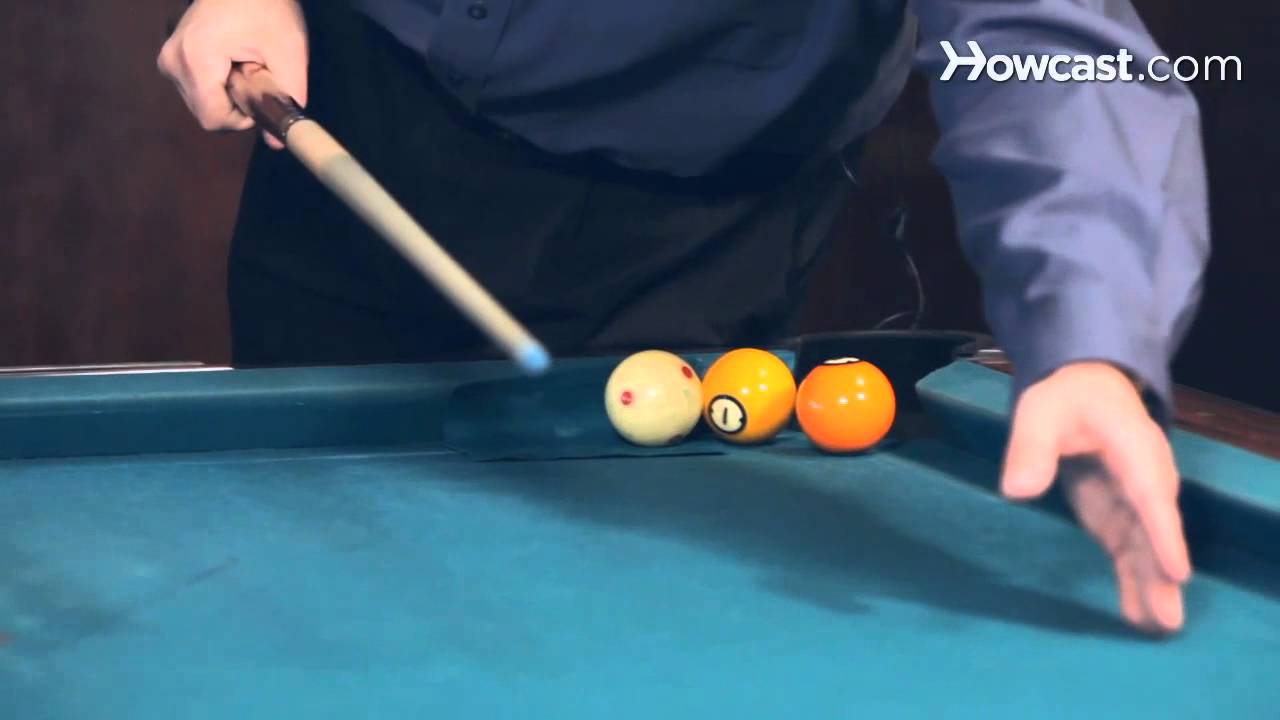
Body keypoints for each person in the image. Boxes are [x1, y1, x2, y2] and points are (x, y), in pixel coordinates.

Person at [158, 0, 1208, 634]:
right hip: (356, 119)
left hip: (682, 221)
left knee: (596, 623)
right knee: (304, 591)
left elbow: (1049, 45)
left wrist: (1091, 339)